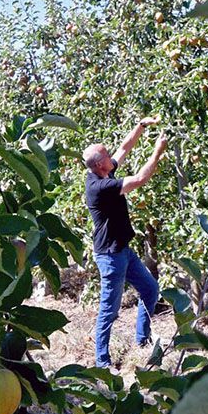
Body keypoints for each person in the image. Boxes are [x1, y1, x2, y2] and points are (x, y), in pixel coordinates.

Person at [83, 116, 169, 371]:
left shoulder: (103, 170)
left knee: (150, 290)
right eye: (107, 155)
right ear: (100, 165)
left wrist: (141, 126)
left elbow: (124, 148)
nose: (113, 156)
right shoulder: (101, 186)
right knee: (109, 311)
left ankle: (142, 341)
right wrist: (158, 151)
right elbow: (141, 178)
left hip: (122, 250)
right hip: (110, 256)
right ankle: (102, 362)